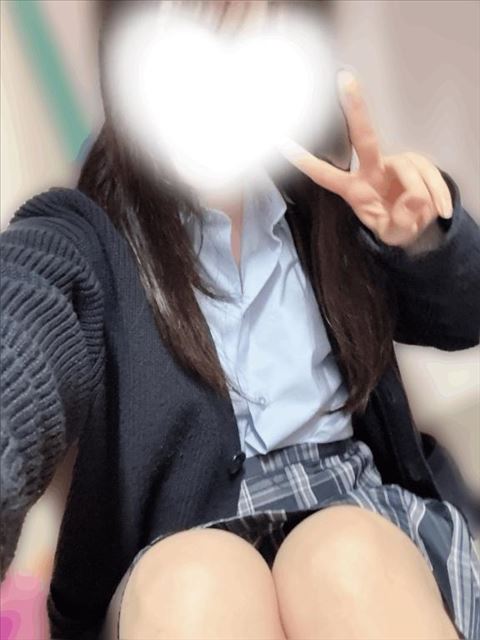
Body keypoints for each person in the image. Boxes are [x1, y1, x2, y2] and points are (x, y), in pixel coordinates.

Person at [1, 1, 479, 639]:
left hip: (362, 511)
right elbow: (20, 343)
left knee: (343, 555)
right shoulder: (82, 237)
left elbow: (464, 315)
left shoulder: (330, 201)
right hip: (178, 552)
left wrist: (418, 239)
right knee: (197, 581)